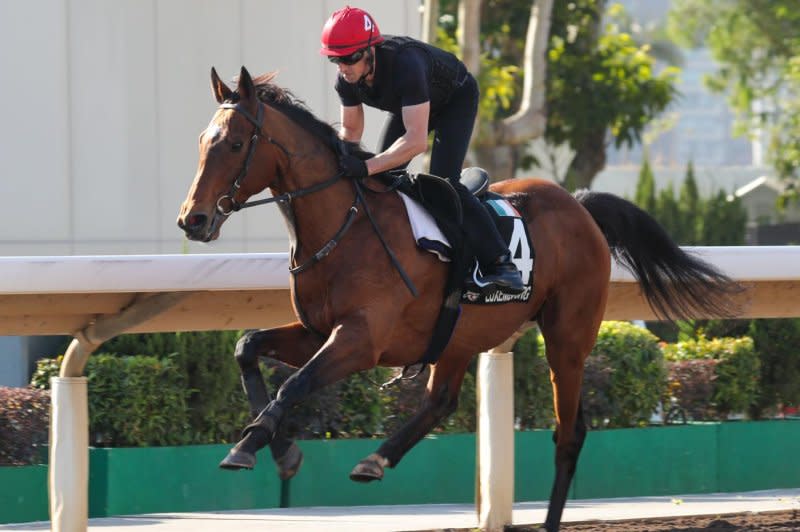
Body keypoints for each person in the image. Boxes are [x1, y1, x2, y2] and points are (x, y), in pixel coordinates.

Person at [320, 5, 524, 294]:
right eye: (334, 59)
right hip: (414, 105)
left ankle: (500, 265)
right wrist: (339, 159)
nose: (342, 66)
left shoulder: (405, 64)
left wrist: (365, 166)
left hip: (455, 99)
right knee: (381, 180)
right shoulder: (347, 78)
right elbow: (351, 133)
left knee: (444, 183)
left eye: (349, 58)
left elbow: (416, 142)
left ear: (370, 50)